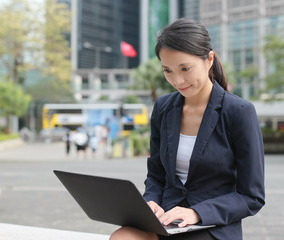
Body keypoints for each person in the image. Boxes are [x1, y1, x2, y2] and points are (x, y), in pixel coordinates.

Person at [110, 18, 265, 240]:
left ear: (209, 59)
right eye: (168, 71)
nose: (177, 80)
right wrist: (151, 202)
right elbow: (156, 174)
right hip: (166, 218)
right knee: (122, 237)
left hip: (211, 225)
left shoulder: (239, 111)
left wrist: (197, 213)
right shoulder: (163, 108)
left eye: (185, 68)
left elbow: (252, 197)